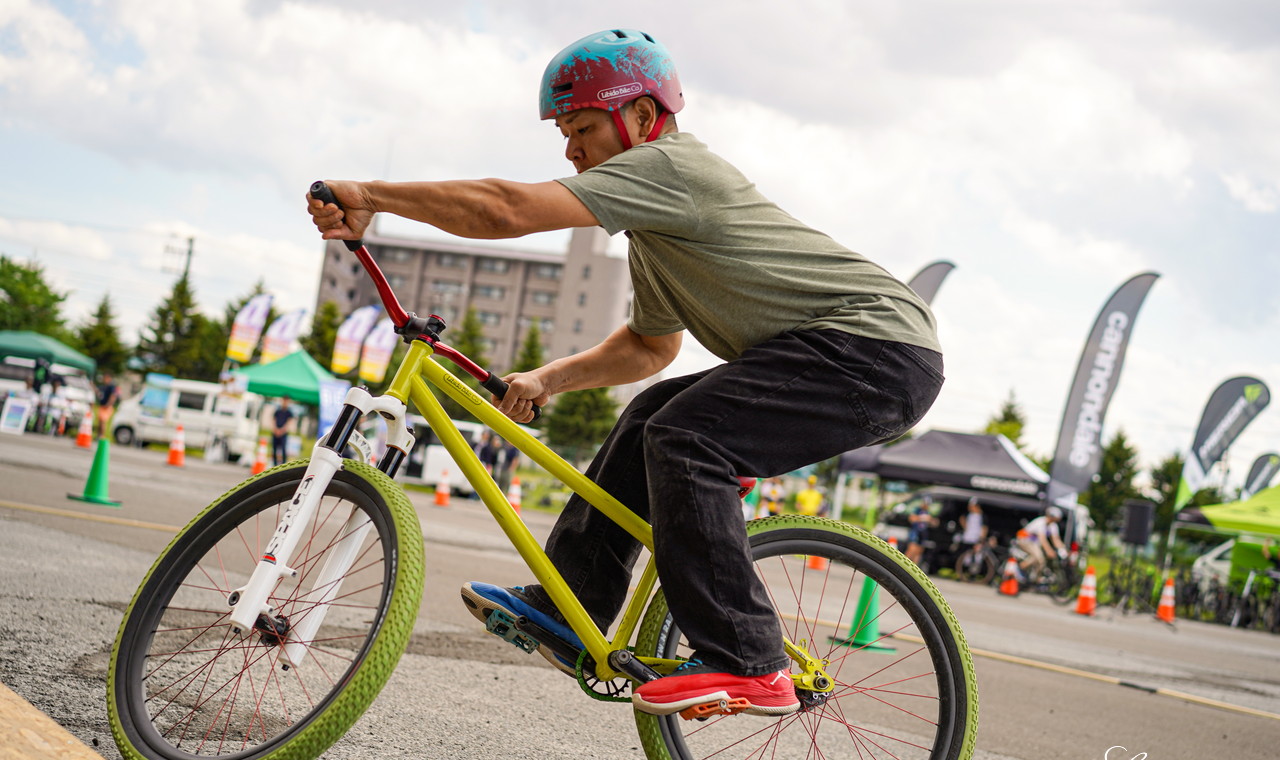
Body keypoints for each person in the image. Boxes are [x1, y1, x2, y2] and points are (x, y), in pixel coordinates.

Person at [307, 29, 943, 717]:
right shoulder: (655, 227)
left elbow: (506, 210)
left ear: (641, 117)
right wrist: (550, 377)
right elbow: (649, 346)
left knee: (687, 436)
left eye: (581, 127)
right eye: (563, 133)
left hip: (876, 350)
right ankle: (571, 605)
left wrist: (372, 194)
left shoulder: (673, 169)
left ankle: (748, 659)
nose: (570, 149)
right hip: (838, 350)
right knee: (650, 417)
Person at [1017, 506, 1066, 583]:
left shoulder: (1053, 525)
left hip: (1034, 544)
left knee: (1041, 559)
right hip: (1025, 540)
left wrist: (1064, 549)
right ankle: (1020, 569)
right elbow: (1042, 539)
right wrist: (1049, 551)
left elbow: (1056, 539)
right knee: (1039, 558)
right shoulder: (1041, 522)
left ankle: (1033, 577)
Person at [956, 499, 987, 581]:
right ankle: (961, 574)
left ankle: (972, 575)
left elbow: (984, 528)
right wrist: (965, 526)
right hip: (967, 538)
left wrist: (981, 539)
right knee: (963, 557)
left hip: (976, 539)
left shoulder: (982, 516)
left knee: (975, 558)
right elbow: (961, 518)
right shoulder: (968, 515)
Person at [904, 502, 936, 566]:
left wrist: (931, 520)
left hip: (923, 534)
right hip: (915, 532)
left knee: (918, 553)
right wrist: (922, 518)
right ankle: (903, 565)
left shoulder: (928, 512)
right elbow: (911, 518)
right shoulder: (917, 510)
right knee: (911, 550)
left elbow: (935, 523)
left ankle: (913, 568)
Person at [93, 372, 120, 441]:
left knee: (103, 421)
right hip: (102, 405)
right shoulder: (103, 386)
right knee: (100, 421)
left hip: (107, 407)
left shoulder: (112, 386)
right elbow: (98, 392)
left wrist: (109, 404)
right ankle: (99, 435)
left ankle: (102, 436)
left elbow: (113, 396)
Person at [271, 396, 296, 467]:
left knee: (283, 450)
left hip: (283, 433)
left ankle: (283, 465)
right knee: (274, 450)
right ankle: (274, 465)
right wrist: (275, 429)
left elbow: (288, 423)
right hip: (276, 432)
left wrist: (281, 431)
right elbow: (274, 420)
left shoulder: (289, 412)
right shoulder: (278, 411)